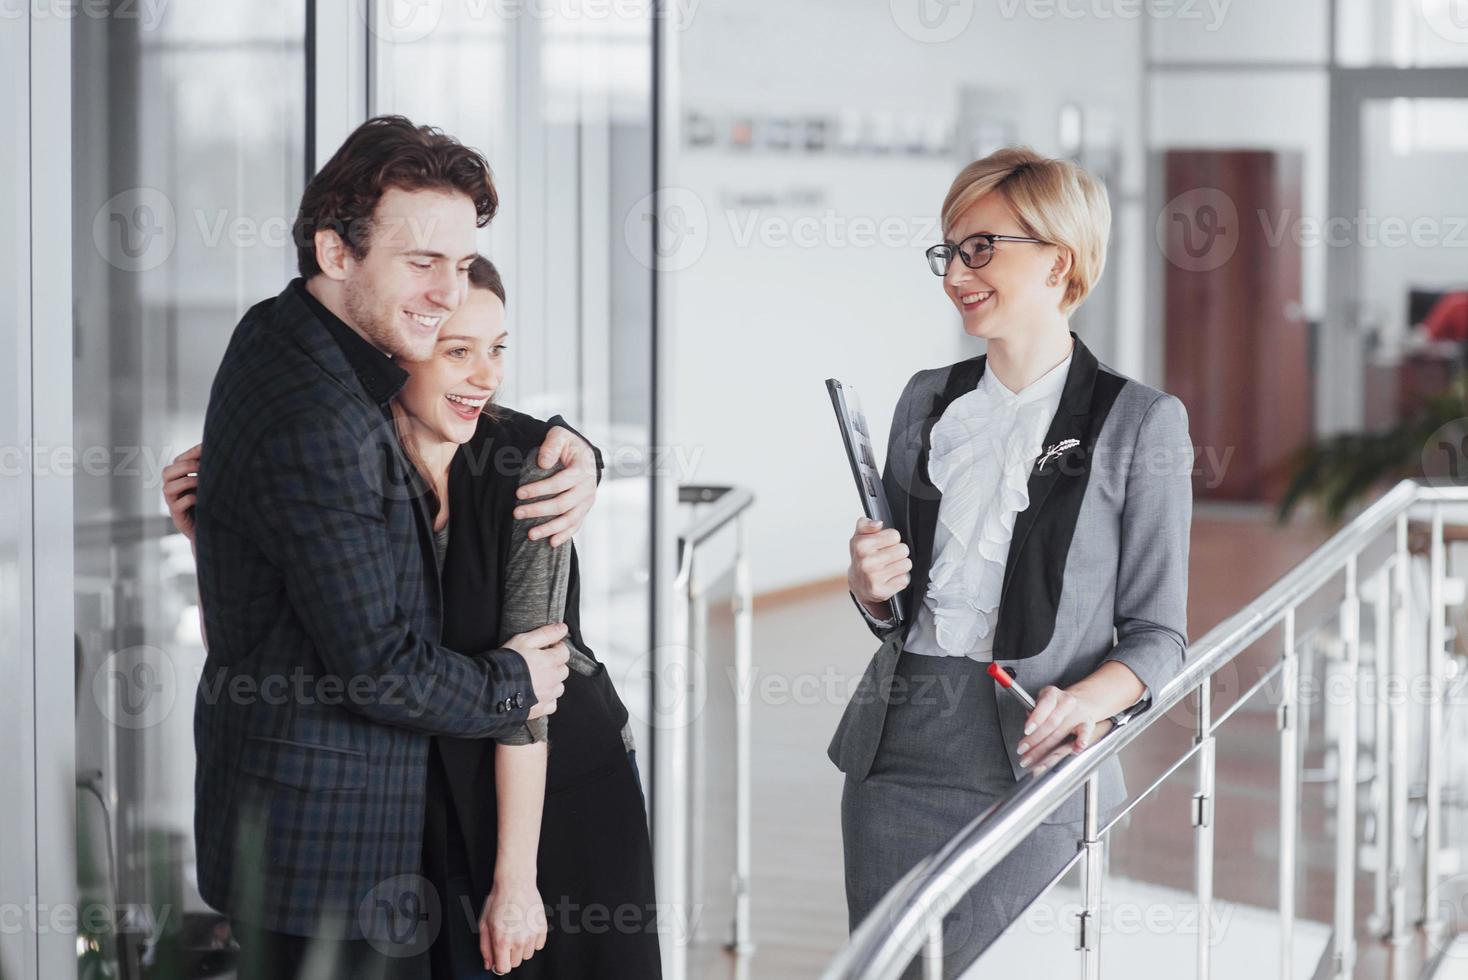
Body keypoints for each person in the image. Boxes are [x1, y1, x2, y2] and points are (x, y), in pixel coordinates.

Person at [184, 115, 602, 980]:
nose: (448, 291)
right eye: (422, 263)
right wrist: (516, 681)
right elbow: (379, 665)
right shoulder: (317, 415)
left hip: (334, 842)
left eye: (460, 261)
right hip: (324, 864)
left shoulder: (289, 335)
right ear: (337, 253)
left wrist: (569, 443)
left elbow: (439, 386)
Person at [827, 146, 1195, 977]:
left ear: (1059, 257)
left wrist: (1087, 701)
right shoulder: (927, 399)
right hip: (896, 747)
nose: (957, 271)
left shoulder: (1140, 422)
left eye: (980, 247)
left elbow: (1158, 634)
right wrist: (870, 587)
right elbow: (899, 604)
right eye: (949, 251)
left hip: (1031, 749)